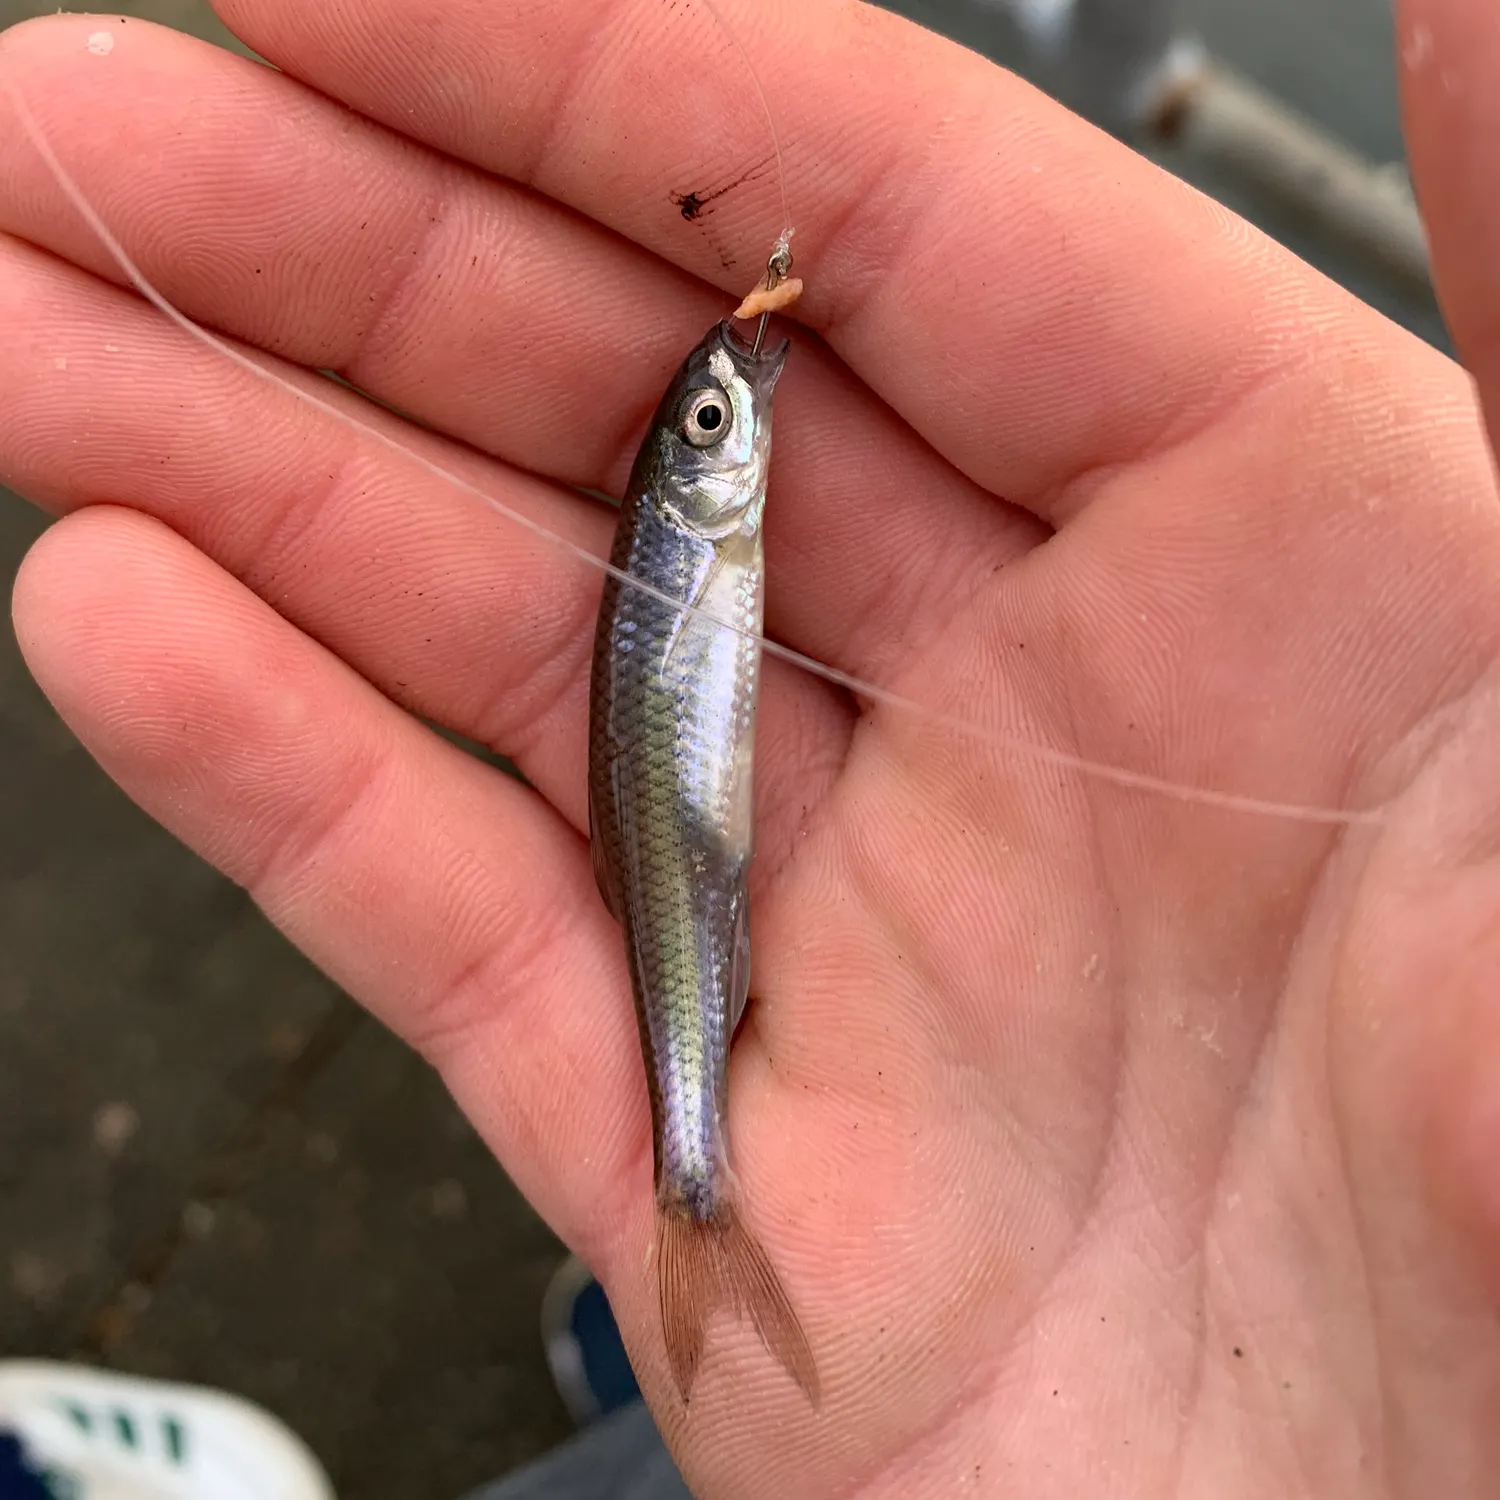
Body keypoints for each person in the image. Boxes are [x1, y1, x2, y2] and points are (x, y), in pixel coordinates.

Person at [1, 0, 1498, 1494]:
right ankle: (673, 1278)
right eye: (719, 421)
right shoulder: (698, 528)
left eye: (708, 419)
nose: (738, 417)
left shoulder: (707, 521)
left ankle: (651, 1371)